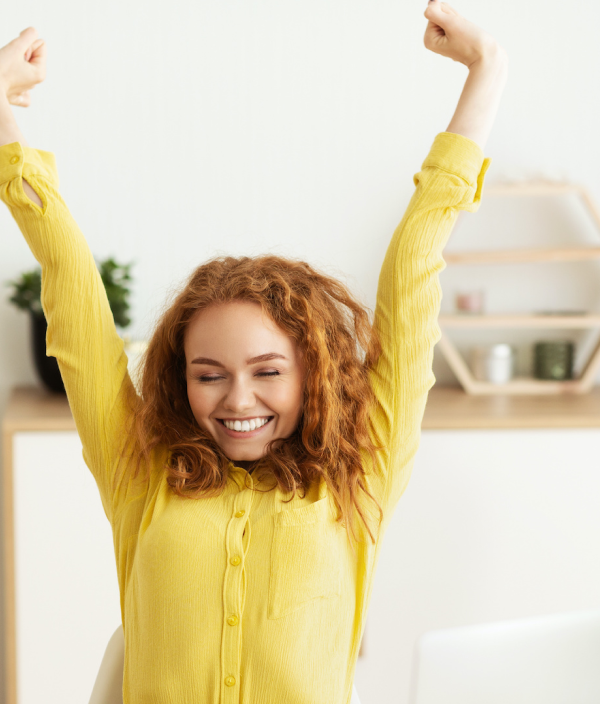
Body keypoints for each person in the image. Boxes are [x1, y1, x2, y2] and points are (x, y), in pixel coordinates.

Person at [0, 2, 507, 702]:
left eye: (268, 372)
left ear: (313, 375)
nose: (238, 400)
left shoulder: (360, 474)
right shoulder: (139, 471)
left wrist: (486, 72)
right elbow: (72, 294)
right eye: (209, 375)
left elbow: (417, 267)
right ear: (182, 380)